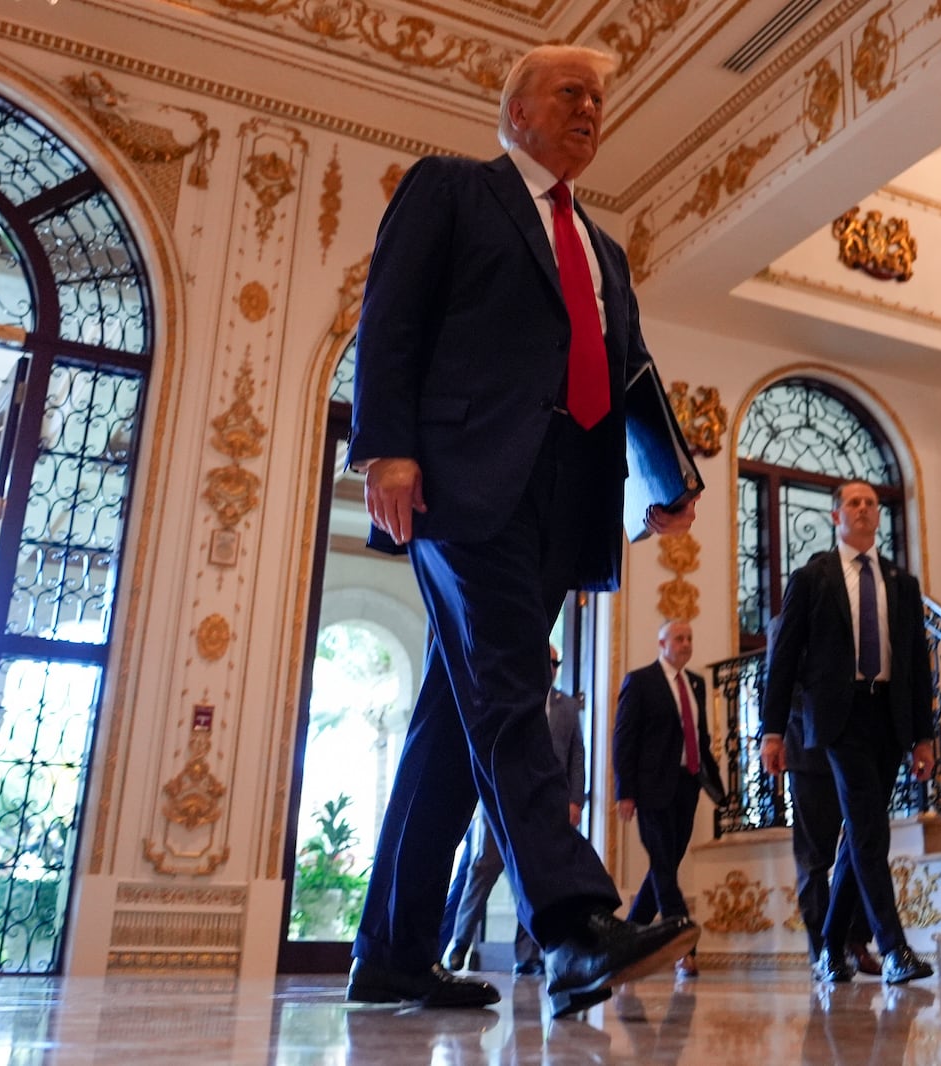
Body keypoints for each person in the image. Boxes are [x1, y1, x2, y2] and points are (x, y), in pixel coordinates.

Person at [344, 42, 700, 1018]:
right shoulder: (455, 189)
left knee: (453, 729)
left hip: (565, 498)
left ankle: (391, 954)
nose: (590, 107)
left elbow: (627, 374)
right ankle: (574, 923)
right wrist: (385, 446)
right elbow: (392, 315)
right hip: (459, 481)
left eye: (598, 98)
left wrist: (664, 482)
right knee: (511, 680)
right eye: (569, 92)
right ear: (516, 114)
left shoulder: (605, 250)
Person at [760, 480, 936, 985]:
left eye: (870, 504)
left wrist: (923, 736)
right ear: (836, 516)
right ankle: (894, 947)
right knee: (868, 830)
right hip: (840, 718)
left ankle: (831, 947)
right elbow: (784, 660)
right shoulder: (812, 577)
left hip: (890, 717)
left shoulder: (901, 583)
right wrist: (772, 732)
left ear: (878, 517)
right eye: (853, 503)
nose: (862, 510)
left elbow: (915, 665)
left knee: (862, 832)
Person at [443, 647, 586, 976]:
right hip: (499, 802)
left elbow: (576, 756)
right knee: (482, 872)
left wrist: (575, 800)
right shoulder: (512, 697)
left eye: (555, 663)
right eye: (545, 661)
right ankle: (459, 945)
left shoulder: (567, 707)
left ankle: (527, 956)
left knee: (533, 879)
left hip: (544, 807)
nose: (550, 668)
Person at [612, 620, 723, 978]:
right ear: (662, 642)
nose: (686, 644)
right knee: (662, 864)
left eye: (689, 638)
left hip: (686, 785)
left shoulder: (696, 683)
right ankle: (683, 949)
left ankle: (627, 942)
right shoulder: (640, 681)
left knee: (665, 865)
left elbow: (700, 737)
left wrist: (715, 784)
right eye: (679, 638)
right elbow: (623, 739)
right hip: (651, 788)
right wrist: (625, 792)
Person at [784, 714, 879, 978]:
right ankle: (824, 952)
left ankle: (856, 940)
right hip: (809, 752)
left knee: (862, 850)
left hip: (859, 750)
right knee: (813, 860)